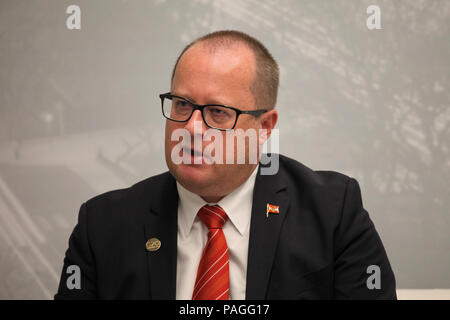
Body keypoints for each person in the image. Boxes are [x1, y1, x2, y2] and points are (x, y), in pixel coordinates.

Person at [55, 30, 396, 300]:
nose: (191, 128)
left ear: (264, 127)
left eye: (218, 112)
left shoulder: (333, 213)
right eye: (182, 105)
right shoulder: (102, 225)